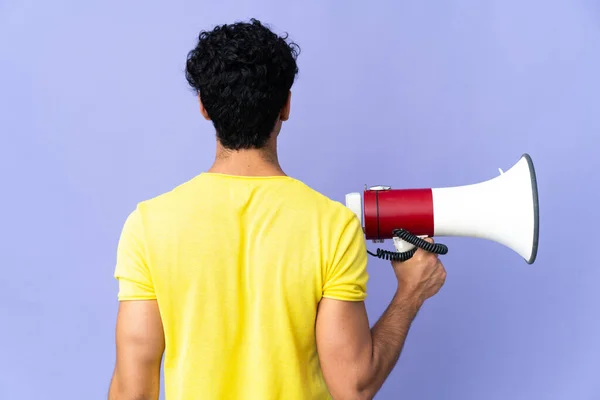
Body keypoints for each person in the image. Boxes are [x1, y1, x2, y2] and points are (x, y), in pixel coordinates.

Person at [108, 18, 446, 400]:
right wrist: (410, 293)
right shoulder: (332, 226)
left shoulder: (148, 226)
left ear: (203, 106)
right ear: (286, 105)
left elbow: (132, 393)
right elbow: (353, 385)